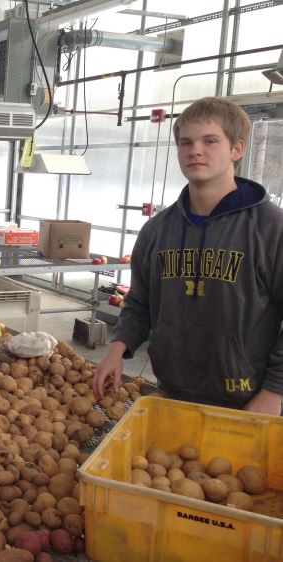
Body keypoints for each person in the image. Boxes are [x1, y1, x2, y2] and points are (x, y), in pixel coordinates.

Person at [94, 96, 283, 415]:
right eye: (186, 142)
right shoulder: (156, 231)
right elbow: (141, 302)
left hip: (248, 400)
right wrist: (118, 346)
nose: (195, 150)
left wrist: (274, 391)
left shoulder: (270, 228)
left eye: (210, 141)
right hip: (171, 389)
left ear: (237, 149)